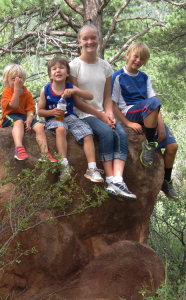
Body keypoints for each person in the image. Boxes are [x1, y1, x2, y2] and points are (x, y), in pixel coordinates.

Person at [69, 24, 137, 200]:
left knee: (120, 133)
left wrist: (110, 115)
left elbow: (107, 98)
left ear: (98, 39)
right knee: (107, 132)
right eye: (86, 38)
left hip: (102, 112)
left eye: (93, 38)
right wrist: (101, 116)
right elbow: (76, 99)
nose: (90, 41)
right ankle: (109, 180)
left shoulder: (106, 67)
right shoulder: (74, 66)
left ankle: (118, 179)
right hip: (82, 114)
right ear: (80, 41)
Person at [111, 42, 179, 201]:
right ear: (128, 55)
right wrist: (127, 123)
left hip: (148, 111)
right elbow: (112, 104)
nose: (138, 60)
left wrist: (160, 124)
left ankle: (167, 181)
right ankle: (149, 143)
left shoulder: (144, 77)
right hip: (130, 111)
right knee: (152, 104)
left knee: (172, 146)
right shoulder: (118, 76)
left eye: (142, 59)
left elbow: (153, 100)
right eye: (135, 56)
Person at [38, 57, 103, 182]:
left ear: (67, 73)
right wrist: (51, 112)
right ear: (50, 75)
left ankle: (92, 169)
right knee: (61, 129)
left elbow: (90, 96)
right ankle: (64, 165)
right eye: (54, 69)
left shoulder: (69, 86)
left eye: (62, 68)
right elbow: (40, 111)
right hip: (53, 118)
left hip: (70, 116)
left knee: (88, 133)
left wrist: (74, 91)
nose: (58, 71)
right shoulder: (46, 90)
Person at [0, 64, 57, 162]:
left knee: (39, 126)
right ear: (7, 81)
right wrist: (17, 91)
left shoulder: (27, 93)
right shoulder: (7, 91)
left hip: (23, 116)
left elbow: (30, 110)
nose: (17, 81)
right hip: (10, 115)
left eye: (20, 78)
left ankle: (45, 153)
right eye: (13, 79)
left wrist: (29, 120)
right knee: (18, 122)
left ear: (24, 79)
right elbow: (13, 105)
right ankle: (19, 148)